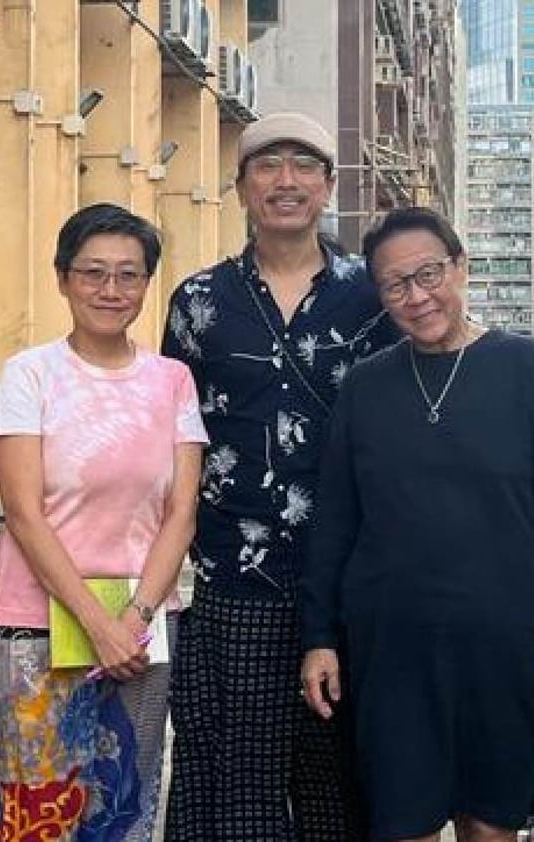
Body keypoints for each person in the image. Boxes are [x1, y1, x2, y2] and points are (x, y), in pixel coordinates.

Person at [300, 206, 534, 842]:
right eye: (395, 284)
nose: (417, 297)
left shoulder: (523, 367)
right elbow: (335, 521)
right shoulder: (366, 386)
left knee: (491, 823)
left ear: (460, 268)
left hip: (506, 642)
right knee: (401, 820)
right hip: (394, 648)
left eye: (429, 274)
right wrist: (320, 636)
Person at [161, 112, 399, 841]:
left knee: (344, 780)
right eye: (267, 166)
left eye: (303, 166)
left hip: (352, 576)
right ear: (240, 188)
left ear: (329, 186)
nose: (285, 181)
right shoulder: (198, 301)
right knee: (231, 778)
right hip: (234, 574)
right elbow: (171, 435)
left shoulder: (374, 297)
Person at [0, 203, 207, 841]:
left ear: (147, 284)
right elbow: (23, 513)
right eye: (93, 272)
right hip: (37, 631)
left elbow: (181, 512)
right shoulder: (30, 374)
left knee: (122, 813)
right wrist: (98, 624)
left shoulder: (172, 381)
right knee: (34, 818)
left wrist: (133, 621)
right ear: (63, 278)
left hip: (140, 634)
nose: (111, 289)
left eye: (129, 275)